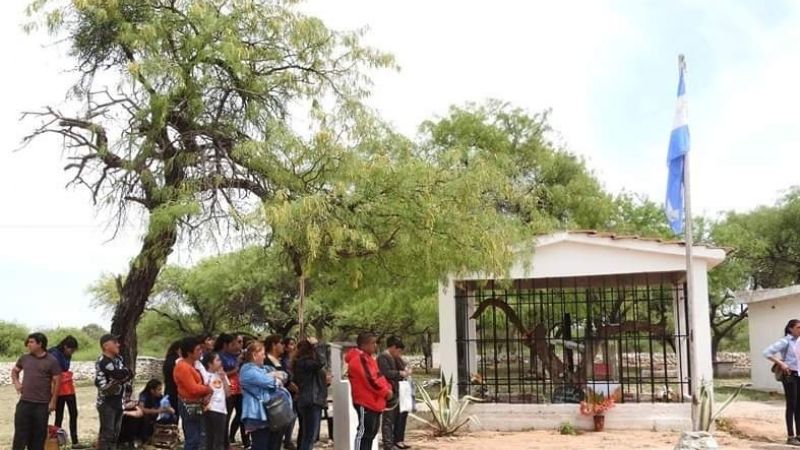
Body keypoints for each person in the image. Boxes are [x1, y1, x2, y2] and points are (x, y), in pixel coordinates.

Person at [11, 332, 62, 450]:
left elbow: (57, 381)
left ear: (40, 344)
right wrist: (17, 383)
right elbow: (15, 371)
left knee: (38, 437)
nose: (28, 344)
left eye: (31, 342)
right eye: (28, 342)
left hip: (42, 405)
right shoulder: (24, 358)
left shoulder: (52, 361)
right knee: (20, 436)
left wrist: (53, 401)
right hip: (24, 402)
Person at [345, 332, 392, 450]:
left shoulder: (368, 358)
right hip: (365, 402)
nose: (375, 345)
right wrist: (385, 392)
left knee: (371, 434)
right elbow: (371, 380)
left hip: (374, 401)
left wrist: (387, 388)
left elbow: (378, 376)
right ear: (364, 345)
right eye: (373, 343)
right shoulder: (359, 359)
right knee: (364, 433)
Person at [240, 341, 288, 450]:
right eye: (262, 354)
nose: (264, 357)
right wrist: (273, 377)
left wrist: (272, 375)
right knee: (260, 445)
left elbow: (284, 375)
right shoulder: (247, 370)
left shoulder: (264, 369)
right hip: (256, 415)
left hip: (270, 414)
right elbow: (269, 382)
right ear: (254, 355)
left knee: (273, 445)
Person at [174, 336, 214, 450]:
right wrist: (208, 389)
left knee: (200, 437)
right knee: (193, 438)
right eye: (197, 349)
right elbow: (193, 388)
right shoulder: (183, 367)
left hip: (196, 403)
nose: (201, 351)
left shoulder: (195, 365)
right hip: (189, 404)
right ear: (189, 352)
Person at [95, 334, 133, 450]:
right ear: (106, 346)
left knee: (115, 434)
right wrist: (123, 374)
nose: (118, 344)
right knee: (107, 433)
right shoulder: (103, 361)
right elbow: (118, 374)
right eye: (115, 342)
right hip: (106, 402)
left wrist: (124, 374)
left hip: (118, 401)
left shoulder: (118, 359)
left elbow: (129, 373)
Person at [766, 319, 800, 445]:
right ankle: (790, 436)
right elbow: (767, 352)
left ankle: (799, 435)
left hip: (798, 374)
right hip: (789, 375)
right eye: (798, 327)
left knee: (799, 405)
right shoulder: (785, 341)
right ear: (790, 329)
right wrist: (781, 363)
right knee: (791, 405)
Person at [292, 337, 328, 450]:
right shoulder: (306, 362)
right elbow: (321, 362)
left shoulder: (300, 362)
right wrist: (318, 346)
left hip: (306, 400)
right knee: (310, 435)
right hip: (311, 400)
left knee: (307, 434)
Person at [49, 335, 84, 448]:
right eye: (71, 350)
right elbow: (53, 373)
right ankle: (56, 441)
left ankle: (75, 441)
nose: (72, 353)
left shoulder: (67, 355)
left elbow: (65, 369)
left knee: (74, 413)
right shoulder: (54, 354)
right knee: (59, 415)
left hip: (68, 387)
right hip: (58, 388)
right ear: (65, 347)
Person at [378, 336, 411, 450]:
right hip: (390, 390)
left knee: (401, 416)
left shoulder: (396, 357)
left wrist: (406, 369)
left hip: (400, 389)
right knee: (389, 418)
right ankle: (388, 443)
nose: (399, 353)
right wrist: (399, 373)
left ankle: (398, 440)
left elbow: (404, 367)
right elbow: (385, 372)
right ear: (393, 347)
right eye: (398, 350)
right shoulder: (383, 357)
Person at [201, 351, 230, 450]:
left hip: (221, 410)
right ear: (210, 364)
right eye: (217, 360)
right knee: (209, 438)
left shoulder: (222, 375)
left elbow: (228, 394)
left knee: (219, 439)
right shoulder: (204, 375)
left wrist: (224, 378)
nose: (220, 362)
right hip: (209, 409)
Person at [162, 340, 182, 425]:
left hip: (169, 388)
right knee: (174, 412)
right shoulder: (175, 361)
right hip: (174, 390)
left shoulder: (168, 360)